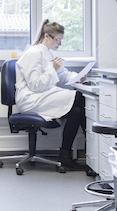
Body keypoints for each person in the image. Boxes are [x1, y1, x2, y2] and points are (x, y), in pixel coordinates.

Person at [15, 19, 88, 172]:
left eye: (61, 40)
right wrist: (53, 69)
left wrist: (77, 77)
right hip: (30, 98)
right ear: (47, 36)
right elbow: (35, 84)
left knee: (77, 112)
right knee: (80, 98)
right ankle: (89, 147)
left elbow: (63, 75)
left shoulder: (49, 53)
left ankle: (65, 155)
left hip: (42, 96)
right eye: (58, 40)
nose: (60, 43)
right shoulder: (34, 53)